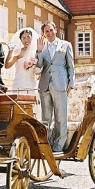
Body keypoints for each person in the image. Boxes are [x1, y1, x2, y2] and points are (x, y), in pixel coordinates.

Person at [35, 21, 75, 153]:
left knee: (60, 116)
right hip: (45, 84)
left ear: (55, 30)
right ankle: (48, 143)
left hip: (60, 84)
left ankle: (59, 145)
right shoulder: (43, 47)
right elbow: (39, 66)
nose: (49, 33)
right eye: (46, 31)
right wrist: (39, 51)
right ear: (44, 34)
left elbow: (71, 66)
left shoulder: (65, 45)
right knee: (46, 117)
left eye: (51, 30)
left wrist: (71, 83)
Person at [4, 27, 39, 95]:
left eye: (28, 37)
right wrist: (10, 52)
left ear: (32, 38)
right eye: (23, 38)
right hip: (19, 82)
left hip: (31, 83)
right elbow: (7, 66)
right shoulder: (18, 52)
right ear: (20, 40)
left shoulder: (36, 53)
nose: (26, 40)